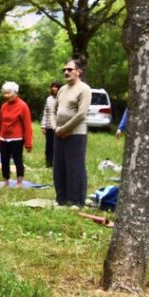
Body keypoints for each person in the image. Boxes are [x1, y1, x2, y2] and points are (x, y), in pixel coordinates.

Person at [53, 59, 91, 206]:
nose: (66, 72)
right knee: (59, 167)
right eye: (64, 70)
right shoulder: (62, 89)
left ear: (78, 71)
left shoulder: (84, 89)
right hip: (59, 134)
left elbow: (81, 114)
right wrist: (55, 127)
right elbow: (54, 110)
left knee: (75, 167)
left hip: (75, 134)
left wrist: (64, 129)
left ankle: (76, 201)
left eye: (69, 69)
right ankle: (61, 199)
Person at [0, 81, 33, 186]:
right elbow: (1, 124)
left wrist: (28, 142)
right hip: (4, 137)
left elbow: (27, 126)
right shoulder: (4, 106)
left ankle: (19, 182)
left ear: (15, 92)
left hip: (17, 138)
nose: (6, 96)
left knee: (18, 160)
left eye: (8, 93)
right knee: (4, 160)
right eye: (4, 93)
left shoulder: (23, 106)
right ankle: (5, 181)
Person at [42, 81, 61, 167]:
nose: (54, 88)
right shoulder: (48, 99)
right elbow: (46, 113)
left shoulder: (62, 99)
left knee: (57, 147)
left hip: (58, 127)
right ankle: (48, 163)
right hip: (49, 127)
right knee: (49, 147)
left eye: (56, 87)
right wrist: (43, 126)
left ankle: (57, 163)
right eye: (52, 86)